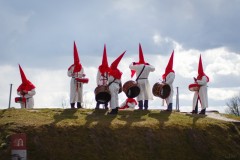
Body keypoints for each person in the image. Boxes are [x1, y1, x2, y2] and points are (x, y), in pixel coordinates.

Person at [129, 44, 155, 110]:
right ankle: (146, 107)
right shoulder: (147, 67)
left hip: (139, 81)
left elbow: (130, 66)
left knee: (139, 93)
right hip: (146, 80)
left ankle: (140, 107)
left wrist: (133, 63)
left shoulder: (137, 66)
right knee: (146, 94)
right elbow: (153, 68)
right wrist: (149, 64)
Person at [67, 41, 87, 109]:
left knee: (80, 92)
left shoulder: (81, 67)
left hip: (80, 80)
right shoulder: (72, 67)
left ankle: (79, 104)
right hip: (74, 80)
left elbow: (82, 73)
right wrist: (71, 74)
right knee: (73, 92)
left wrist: (83, 75)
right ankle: (72, 104)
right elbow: (68, 74)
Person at [95, 44, 109, 110]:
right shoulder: (100, 69)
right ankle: (97, 105)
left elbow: (109, 76)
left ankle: (106, 105)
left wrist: (108, 83)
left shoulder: (108, 69)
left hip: (106, 82)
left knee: (106, 94)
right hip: (101, 82)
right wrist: (97, 83)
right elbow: (98, 76)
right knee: (99, 94)